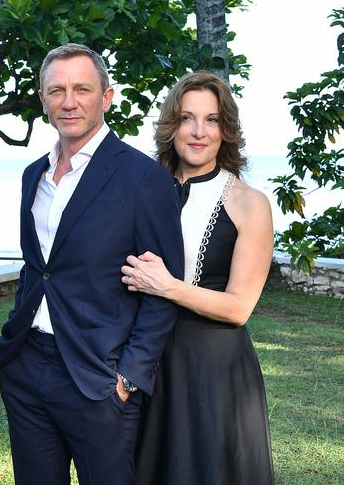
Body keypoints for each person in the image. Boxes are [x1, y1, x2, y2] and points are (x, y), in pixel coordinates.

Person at [0, 43, 184, 485]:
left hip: (99, 378)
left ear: (106, 97)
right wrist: (14, 345)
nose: (69, 100)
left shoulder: (143, 179)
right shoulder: (32, 176)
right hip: (27, 367)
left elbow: (163, 289)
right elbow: (37, 268)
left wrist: (128, 378)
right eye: (56, 90)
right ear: (43, 100)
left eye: (82, 88)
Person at [121, 72, 275, 484]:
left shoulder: (249, 203)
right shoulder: (139, 188)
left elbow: (240, 307)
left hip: (213, 372)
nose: (198, 131)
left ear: (226, 129)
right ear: (172, 126)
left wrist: (166, 286)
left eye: (211, 120)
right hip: (144, 361)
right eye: (188, 118)